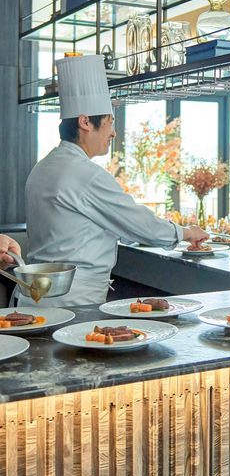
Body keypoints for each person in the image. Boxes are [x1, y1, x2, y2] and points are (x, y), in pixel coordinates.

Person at [24, 55, 207, 308]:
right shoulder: (84, 174)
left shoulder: (42, 167)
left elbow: (95, 225)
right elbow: (137, 223)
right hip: (72, 301)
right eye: (110, 122)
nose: (113, 132)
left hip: (35, 298)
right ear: (85, 122)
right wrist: (186, 232)